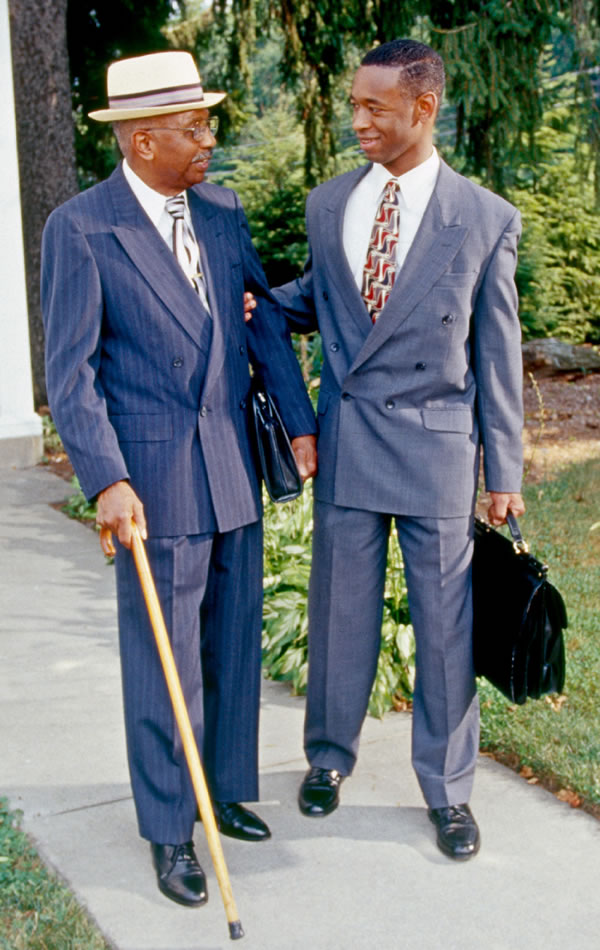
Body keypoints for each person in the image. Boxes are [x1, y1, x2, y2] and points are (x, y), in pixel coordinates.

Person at [41, 50, 317, 907]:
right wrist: (107, 480)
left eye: (207, 122)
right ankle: (170, 830)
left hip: (230, 461)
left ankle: (223, 790)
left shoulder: (224, 211)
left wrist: (300, 426)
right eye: (193, 127)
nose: (209, 139)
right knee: (166, 666)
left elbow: (261, 318)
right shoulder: (82, 227)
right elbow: (70, 373)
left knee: (232, 643)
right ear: (141, 137)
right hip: (153, 480)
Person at [273, 38, 525, 861]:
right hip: (351, 443)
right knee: (341, 610)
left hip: (437, 452)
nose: (358, 121)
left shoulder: (485, 219)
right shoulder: (328, 204)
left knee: (446, 628)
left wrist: (505, 475)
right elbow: (322, 299)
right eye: (353, 104)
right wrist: (254, 305)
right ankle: (328, 758)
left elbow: (497, 356)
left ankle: (449, 793)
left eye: (374, 107)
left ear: (423, 109)